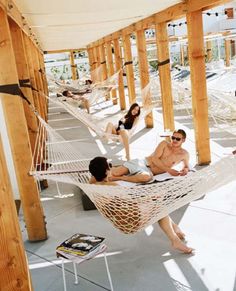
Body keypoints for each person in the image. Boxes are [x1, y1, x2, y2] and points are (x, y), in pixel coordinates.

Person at [89, 156, 193, 254]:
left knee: (157, 205)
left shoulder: (92, 184)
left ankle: (175, 229)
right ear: (106, 171)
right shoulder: (113, 187)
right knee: (159, 205)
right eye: (109, 166)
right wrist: (152, 197)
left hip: (122, 218)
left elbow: (95, 177)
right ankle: (175, 240)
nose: (111, 167)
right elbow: (135, 200)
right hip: (130, 221)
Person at [110, 129, 189, 183]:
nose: (174, 140)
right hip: (142, 162)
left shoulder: (184, 154)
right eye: (173, 137)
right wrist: (169, 170)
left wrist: (185, 170)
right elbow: (155, 159)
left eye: (178, 139)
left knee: (146, 178)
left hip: (148, 172)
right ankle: (111, 168)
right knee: (116, 172)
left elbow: (186, 167)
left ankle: (121, 178)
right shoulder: (164, 144)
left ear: (183, 140)